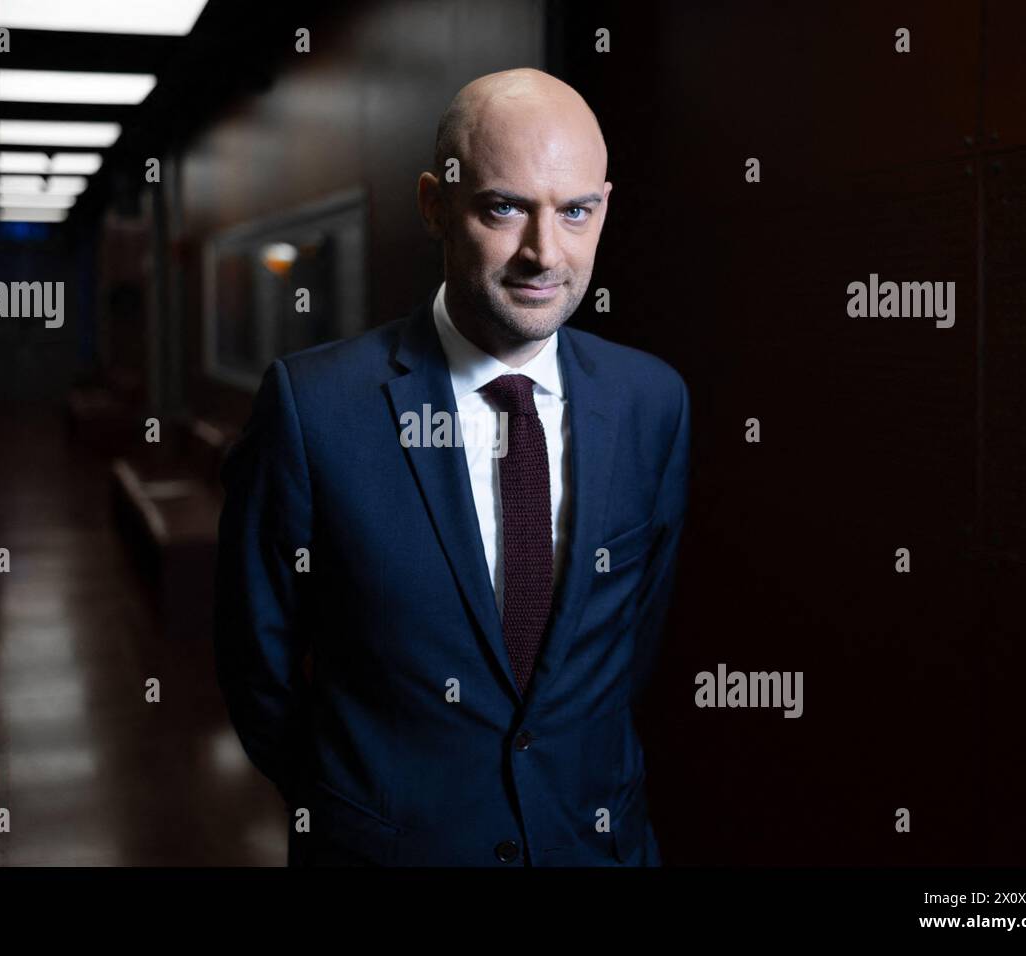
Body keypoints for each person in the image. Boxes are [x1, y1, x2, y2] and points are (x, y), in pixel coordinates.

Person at [215, 67, 689, 866]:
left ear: (603, 206)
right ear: (436, 204)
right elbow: (256, 665)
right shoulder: (315, 409)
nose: (545, 253)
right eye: (505, 208)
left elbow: (628, 652)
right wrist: (355, 809)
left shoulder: (653, 403)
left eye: (576, 212)